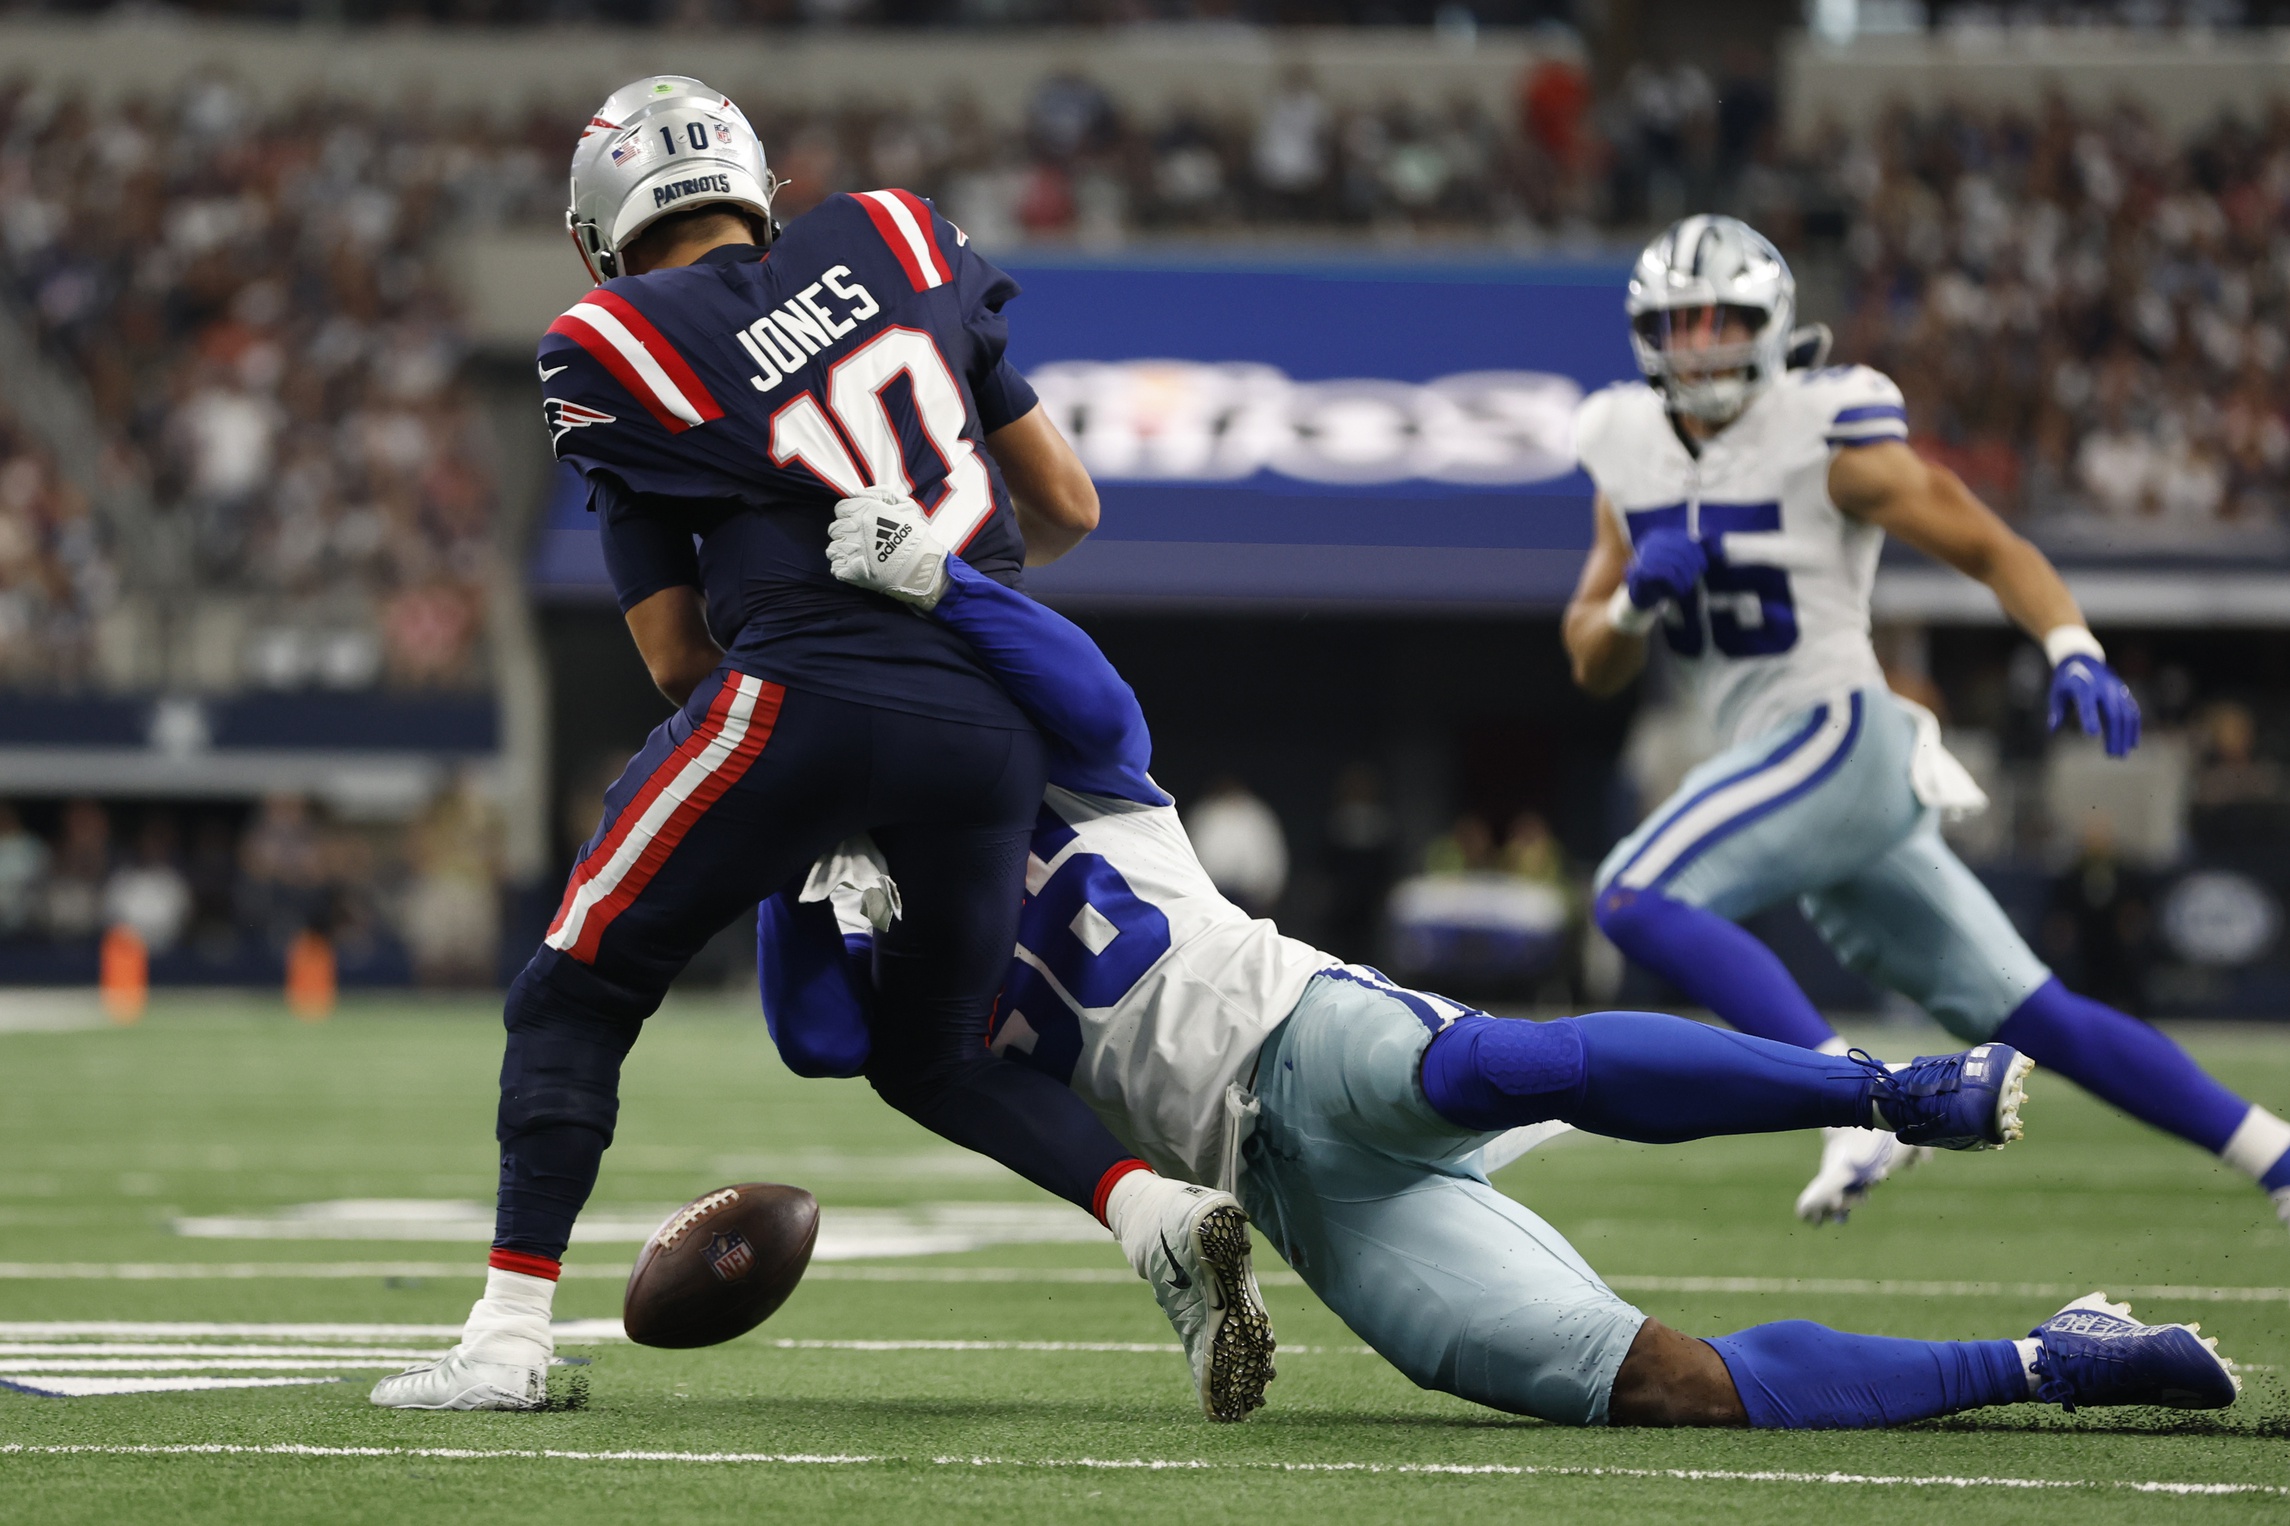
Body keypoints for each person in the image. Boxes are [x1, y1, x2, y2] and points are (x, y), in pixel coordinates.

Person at [755, 487, 2239, 1430]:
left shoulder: (1043, 766)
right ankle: (2052, 1359)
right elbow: (833, 1043)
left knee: (1482, 1060)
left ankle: (1888, 1092)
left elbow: (1093, 696)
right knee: (1662, 1385)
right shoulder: (874, 922)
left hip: (1293, 1022)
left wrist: (948, 584)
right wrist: (792, 868)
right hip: (1289, 1196)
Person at [373, 77, 1242, 1414]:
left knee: (575, 989)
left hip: (804, 699)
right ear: (751, 185)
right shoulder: (896, 234)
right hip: (991, 720)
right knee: (932, 1049)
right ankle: (1151, 1217)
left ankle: (502, 1340)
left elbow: (674, 659)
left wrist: (812, 781)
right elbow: (1064, 504)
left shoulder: (609, 342)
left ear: (601, 231)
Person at [1561, 215, 2290, 1227]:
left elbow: (1988, 544)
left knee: (1633, 893)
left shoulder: (1827, 432)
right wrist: (1635, 602)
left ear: (1770, 325)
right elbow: (1591, 658)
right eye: (1679, 325)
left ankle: (1853, 1101)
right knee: (2042, 1017)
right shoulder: (1623, 444)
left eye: (1722, 319)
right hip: (1789, 771)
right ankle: (2278, 1152)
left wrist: (2071, 644)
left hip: (1834, 734)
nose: (1701, 345)